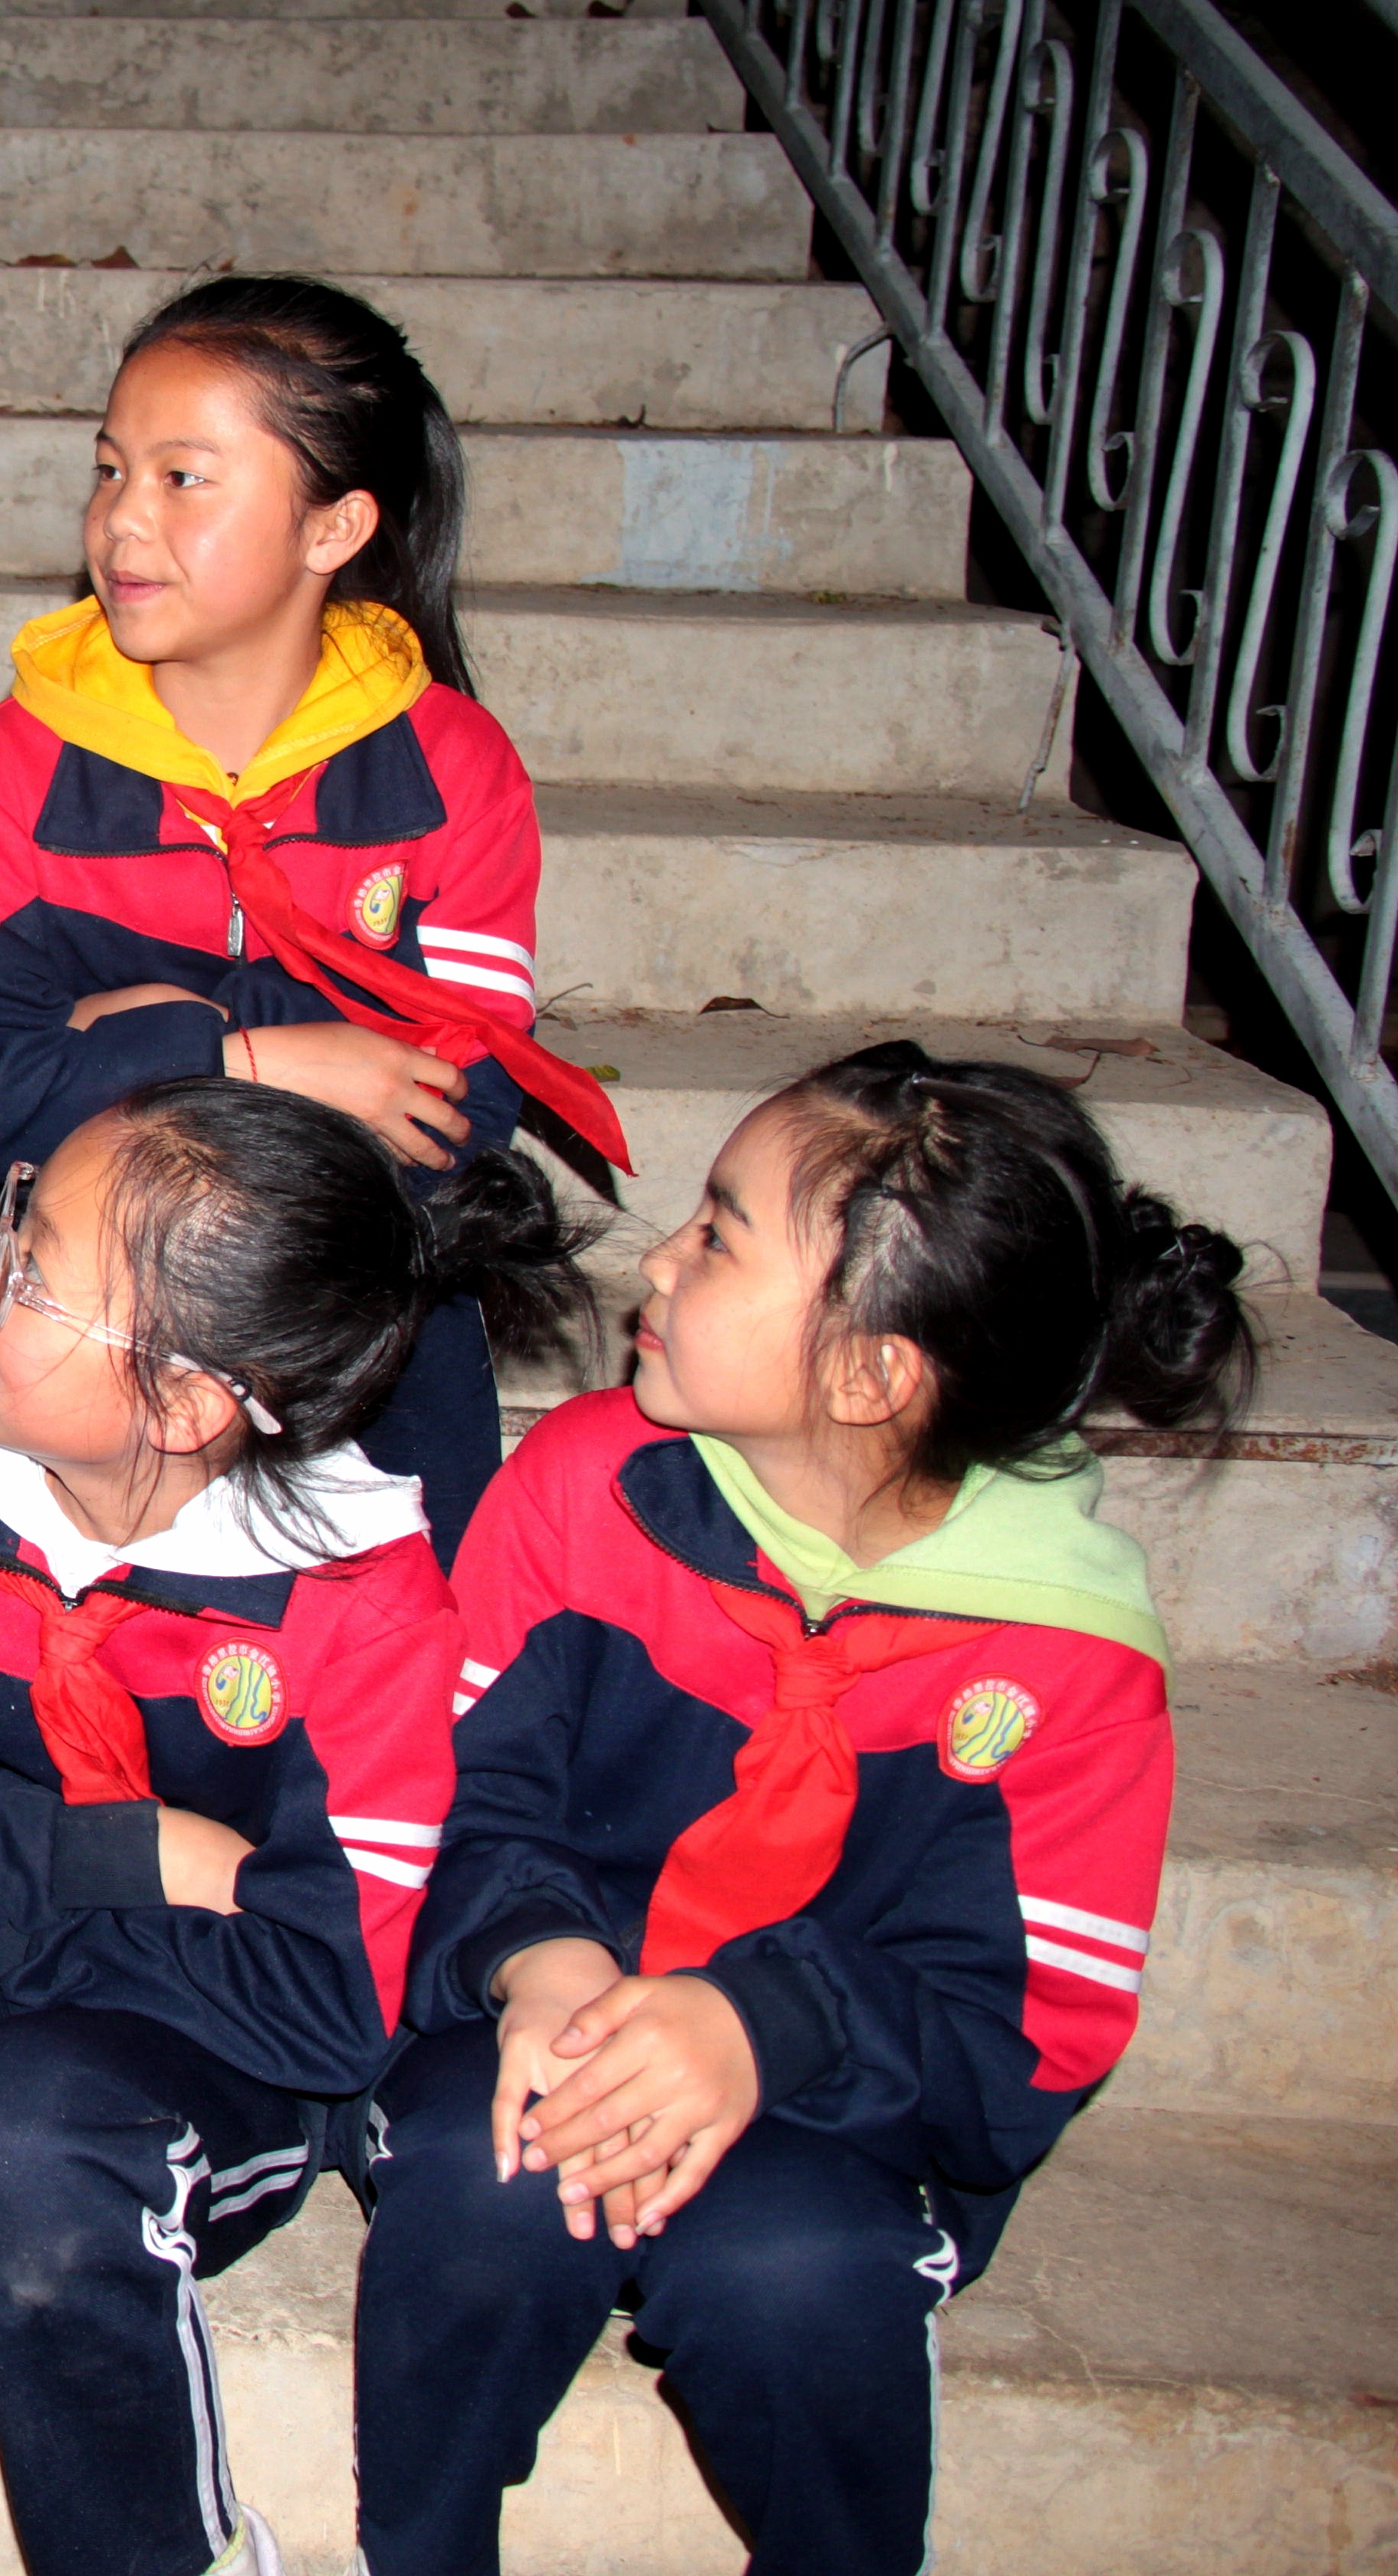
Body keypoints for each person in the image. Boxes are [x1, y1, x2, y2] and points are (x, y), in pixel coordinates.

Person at [0, 1080, 592, 2576]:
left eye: (34, 1277)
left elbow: (325, 2003)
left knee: (12, 2126)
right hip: (9, 1965)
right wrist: (130, 1856)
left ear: (189, 1403)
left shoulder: (358, 1601)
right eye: (9, 1231)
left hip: (186, 2076)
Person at [353, 1041, 1256, 2575]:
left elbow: (1028, 2029)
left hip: (843, 2109)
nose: (660, 1257)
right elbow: (456, 1788)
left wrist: (764, 2025)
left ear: (868, 1376)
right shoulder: (587, 1485)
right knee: (480, 2178)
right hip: (547, 2017)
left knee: (797, 2273)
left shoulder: (1070, 1658)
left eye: (719, 1237)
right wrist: (537, 1959)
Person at [0, 276, 633, 1561]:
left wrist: (119, 1030)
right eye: (111, 470)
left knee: (422, 1520)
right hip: (92, 1306)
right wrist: (261, 1056)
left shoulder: (451, 767)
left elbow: (458, 1120)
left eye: (184, 478)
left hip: (351, 1313)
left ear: (335, 526)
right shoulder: (20, 766)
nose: (123, 518)